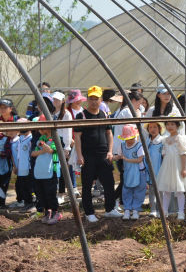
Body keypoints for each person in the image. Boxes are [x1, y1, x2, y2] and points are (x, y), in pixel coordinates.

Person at [74, 85, 115, 223]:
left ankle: (110, 209)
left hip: (103, 154)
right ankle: (89, 212)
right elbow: (77, 137)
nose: (93, 101)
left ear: (101, 99)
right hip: (88, 155)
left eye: (96, 98)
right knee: (87, 185)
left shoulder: (104, 115)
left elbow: (109, 134)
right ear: (87, 100)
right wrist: (79, 155)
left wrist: (110, 151)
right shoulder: (81, 116)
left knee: (109, 182)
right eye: (91, 98)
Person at [157, 120, 186, 220]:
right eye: (168, 124)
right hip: (168, 166)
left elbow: (183, 154)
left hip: (178, 165)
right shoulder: (165, 139)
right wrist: (164, 168)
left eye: (172, 124)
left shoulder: (181, 138)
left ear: (177, 126)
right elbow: (164, 154)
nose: (170, 126)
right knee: (167, 190)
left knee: (180, 190)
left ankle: (181, 212)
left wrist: (183, 169)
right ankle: (164, 211)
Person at [31, 116, 61, 224]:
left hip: (51, 170)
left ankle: (55, 212)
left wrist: (46, 149)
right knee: (41, 193)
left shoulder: (56, 138)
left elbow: (53, 150)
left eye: (43, 126)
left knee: (51, 192)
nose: (41, 129)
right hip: (40, 170)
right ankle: (47, 212)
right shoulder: (40, 139)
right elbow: (33, 153)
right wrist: (43, 150)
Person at [115, 124, 146, 220]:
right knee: (126, 190)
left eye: (131, 138)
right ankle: (127, 210)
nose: (129, 141)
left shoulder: (139, 146)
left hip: (139, 172)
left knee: (139, 190)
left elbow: (140, 159)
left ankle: (136, 210)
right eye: (127, 139)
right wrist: (113, 157)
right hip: (128, 172)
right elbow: (118, 156)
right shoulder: (122, 146)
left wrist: (127, 159)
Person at [52, 91, 73, 202]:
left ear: (63, 101)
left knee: (62, 169)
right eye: (54, 99)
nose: (55, 102)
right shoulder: (51, 112)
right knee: (53, 168)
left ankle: (61, 193)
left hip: (61, 143)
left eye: (57, 100)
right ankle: (53, 191)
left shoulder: (66, 114)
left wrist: (67, 147)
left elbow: (67, 131)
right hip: (52, 143)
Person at [12, 119, 35, 212]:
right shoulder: (20, 139)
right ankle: (26, 203)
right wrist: (16, 166)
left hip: (28, 167)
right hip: (21, 167)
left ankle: (31, 204)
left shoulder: (31, 139)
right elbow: (18, 154)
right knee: (22, 186)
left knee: (29, 186)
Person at [144, 121, 165, 218]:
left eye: (155, 127)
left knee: (160, 191)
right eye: (150, 127)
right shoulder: (147, 141)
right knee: (152, 191)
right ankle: (153, 210)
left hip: (160, 169)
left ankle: (161, 210)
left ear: (159, 129)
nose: (152, 129)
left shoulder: (162, 141)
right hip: (150, 170)